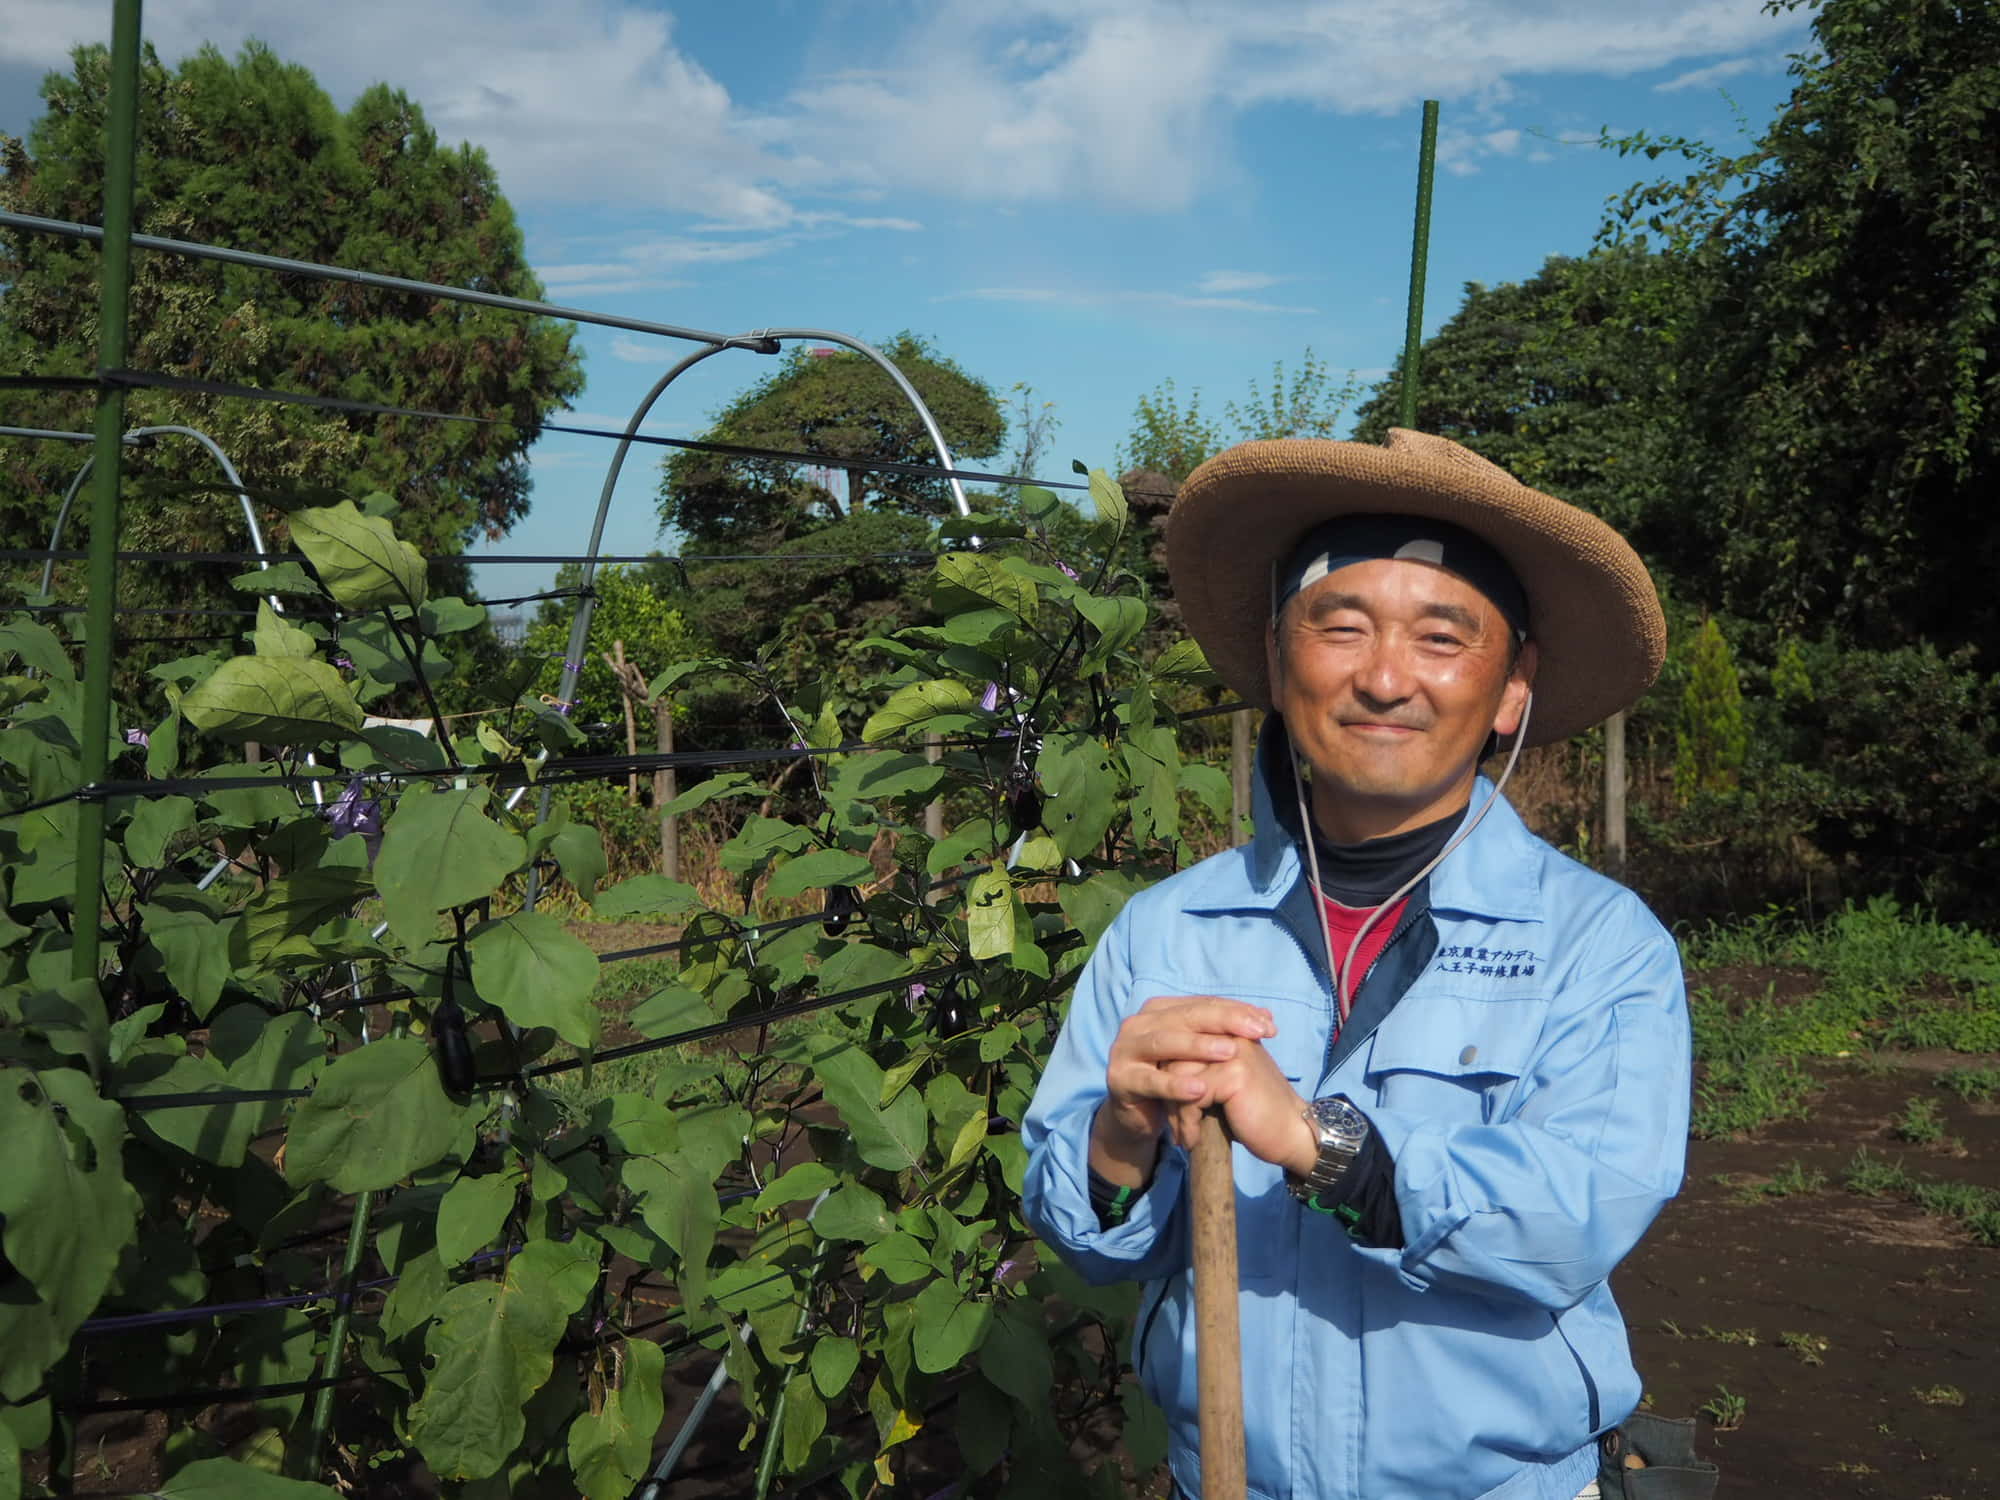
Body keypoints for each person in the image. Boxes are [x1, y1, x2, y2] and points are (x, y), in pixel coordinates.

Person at [1022, 431, 1695, 1500]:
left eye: (1442, 638)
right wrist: (1118, 1137)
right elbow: (1087, 1244)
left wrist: (1318, 1145)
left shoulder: (1595, 945)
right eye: (1338, 627)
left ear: (1511, 688)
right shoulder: (1167, 933)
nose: (1384, 678)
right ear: (1278, 659)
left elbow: (1578, 1213)